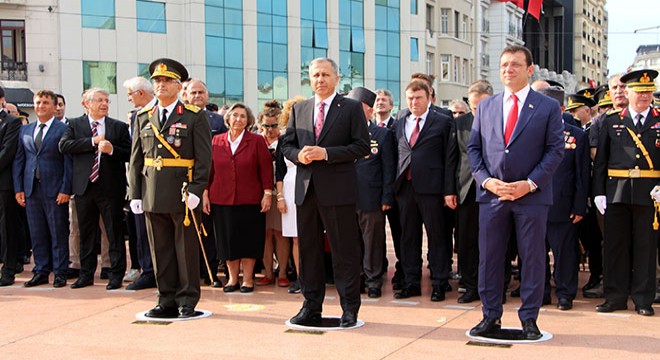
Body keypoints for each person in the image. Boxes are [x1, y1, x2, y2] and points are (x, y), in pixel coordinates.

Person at [467, 45, 564, 340]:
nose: (508, 70)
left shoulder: (546, 107)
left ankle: (529, 318)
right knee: (490, 258)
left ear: (529, 69)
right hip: (493, 196)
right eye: (504, 65)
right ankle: (490, 315)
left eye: (515, 65)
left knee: (532, 258)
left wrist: (529, 184)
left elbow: (555, 150)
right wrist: (486, 181)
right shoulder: (486, 106)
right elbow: (474, 149)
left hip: (531, 197)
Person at [281, 57, 369, 327]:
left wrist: (326, 153)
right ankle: (311, 305)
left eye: (325, 75)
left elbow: (361, 147)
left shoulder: (351, 108)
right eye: (315, 75)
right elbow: (286, 146)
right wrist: (299, 156)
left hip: (338, 191)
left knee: (344, 252)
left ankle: (349, 308)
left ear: (336, 78)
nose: (320, 79)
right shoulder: (300, 109)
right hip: (306, 191)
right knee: (308, 252)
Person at [128, 58, 212, 318]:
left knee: (185, 249)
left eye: (166, 81)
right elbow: (136, 158)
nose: (161, 85)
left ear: (179, 86)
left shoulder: (193, 116)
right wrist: (136, 193)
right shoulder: (143, 116)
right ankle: (165, 299)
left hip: (182, 190)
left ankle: (187, 300)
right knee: (160, 249)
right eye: (157, 81)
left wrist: (197, 190)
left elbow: (204, 157)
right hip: (152, 190)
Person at [593, 69, 660, 317]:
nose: (644, 96)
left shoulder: (659, 118)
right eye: (639, 92)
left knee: (646, 247)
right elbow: (601, 161)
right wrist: (598, 192)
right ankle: (615, 296)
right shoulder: (611, 120)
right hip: (617, 191)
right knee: (615, 246)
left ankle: (643, 299)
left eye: (648, 91)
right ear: (628, 92)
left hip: (649, 194)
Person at [59, 88, 131, 290]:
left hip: (110, 188)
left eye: (107, 100)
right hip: (84, 187)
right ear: (86, 104)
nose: (104, 104)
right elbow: (64, 146)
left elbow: (129, 153)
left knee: (114, 233)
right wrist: (92, 142)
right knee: (86, 233)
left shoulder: (118, 127)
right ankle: (86, 274)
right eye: (99, 100)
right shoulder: (75, 124)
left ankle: (115, 274)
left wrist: (112, 150)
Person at [202, 103, 273, 293]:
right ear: (228, 119)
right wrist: (205, 192)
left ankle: (248, 280)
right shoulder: (216, 140)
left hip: (251, 199)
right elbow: (209, 170)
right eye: (235, 115)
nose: (238, 119)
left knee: (249, 241)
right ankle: (232, 279)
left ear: (248, 120)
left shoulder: (256, 141)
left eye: (243, 116)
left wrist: (268, 193)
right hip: (221, 198)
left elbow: (266, 169)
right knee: (227, 241)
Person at [392, 80, 452, 302]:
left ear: (429, 98)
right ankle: (411, 283)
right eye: (410, 98)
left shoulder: (443, 122)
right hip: (405, 188)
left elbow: (449, 158)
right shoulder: (399, 122)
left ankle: (439, 282)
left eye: (418, 97)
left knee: (436, 237)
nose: (414, 102)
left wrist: (448, 190)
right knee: (409, 237)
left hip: (432, 189)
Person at [13, 89, 72, 288]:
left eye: (45, 102)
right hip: (31, 190)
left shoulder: (63, 129)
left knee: (57, 232)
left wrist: (65, 189)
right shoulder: (26, 130)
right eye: (38, 102)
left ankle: (60, 272)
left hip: (55, 190)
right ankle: (41, 270)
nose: (40, 106)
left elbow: (68, 162)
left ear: (55, 106)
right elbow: (20, 160)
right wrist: (19, 188)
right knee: (37, 233)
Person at [539, 89, 590, 311]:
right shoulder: (530, 133)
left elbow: (581, 175)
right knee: (536, 255)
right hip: (535, 206)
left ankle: (565, 293)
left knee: (565, 255)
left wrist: (579, 206)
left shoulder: (577, 136)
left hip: (564, 206)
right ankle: (540, 293)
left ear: (561, 109)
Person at [445, 79, 493, 304]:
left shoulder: (501, 119)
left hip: (494, 189)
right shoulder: (460, 122)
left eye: (481, 106)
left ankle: (495, 287)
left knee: (494, 240)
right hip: (466, 189)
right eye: (474, 107)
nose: (478, 111)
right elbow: (452, 158)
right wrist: (449, 190)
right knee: (466, 241)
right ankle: (470, 285)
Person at [347, 87, 395, 298]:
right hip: (346, 198)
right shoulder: (341, 134)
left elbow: (388, 168)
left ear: (368, 110)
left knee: (372, 241)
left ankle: (373, 279)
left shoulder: (381, 134)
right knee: (351, 241)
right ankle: (356, 278)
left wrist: (386, 196)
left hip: (372, 197)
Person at [185, 79, 226, 287]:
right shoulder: (179, 116)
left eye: (201, 92)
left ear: (207, 96)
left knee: (207, 229)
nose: (197, 96)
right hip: (183, 180)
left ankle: (210, 271)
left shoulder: (217, 121)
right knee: (185, 230)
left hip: (208, 180)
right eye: (193, 92)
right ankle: (189, 274)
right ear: (186, 95)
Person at [122, 76, 158, 290]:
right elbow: (136, 156)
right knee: (142, 231)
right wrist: (134, 190)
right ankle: (149, 271)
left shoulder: (166, 111)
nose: (129, 99)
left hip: (165, 182)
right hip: (144, 183)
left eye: (130, 94)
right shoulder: (138, 116)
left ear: (141, 93)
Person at [255, 100, 291, 288]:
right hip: (258, 193)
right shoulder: (255, 140)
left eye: (274, 125)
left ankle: (283, 272)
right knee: (265, 234)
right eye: (266, 125)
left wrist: (279, 194)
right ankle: (268, 272)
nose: (269, 130)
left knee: (280, 233)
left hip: (280, 192)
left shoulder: (285, 141)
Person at [373, 89, 404, 291]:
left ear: (392, 106)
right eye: (377, 100)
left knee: (398, 231)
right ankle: (379, 265)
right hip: (371, 191)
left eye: (384, 100)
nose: (380, 103)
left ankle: (402, 268)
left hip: (395, 189)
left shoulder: (398, 127)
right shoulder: (366, 128)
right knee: (374, 234)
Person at [275, 95, 306, 294]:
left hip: (311, 186)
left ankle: (313, 276)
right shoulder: (283, 138)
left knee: (310, 237)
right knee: (295, 238)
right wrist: (280, 197)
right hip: (289, 187)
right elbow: (279, 170)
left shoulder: (315, 135)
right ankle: (301, 278)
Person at [0, 87, 22, 286]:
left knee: (6, 228)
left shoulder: (11, 122)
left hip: (4, 184)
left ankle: (8, 269)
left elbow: (7, 152)